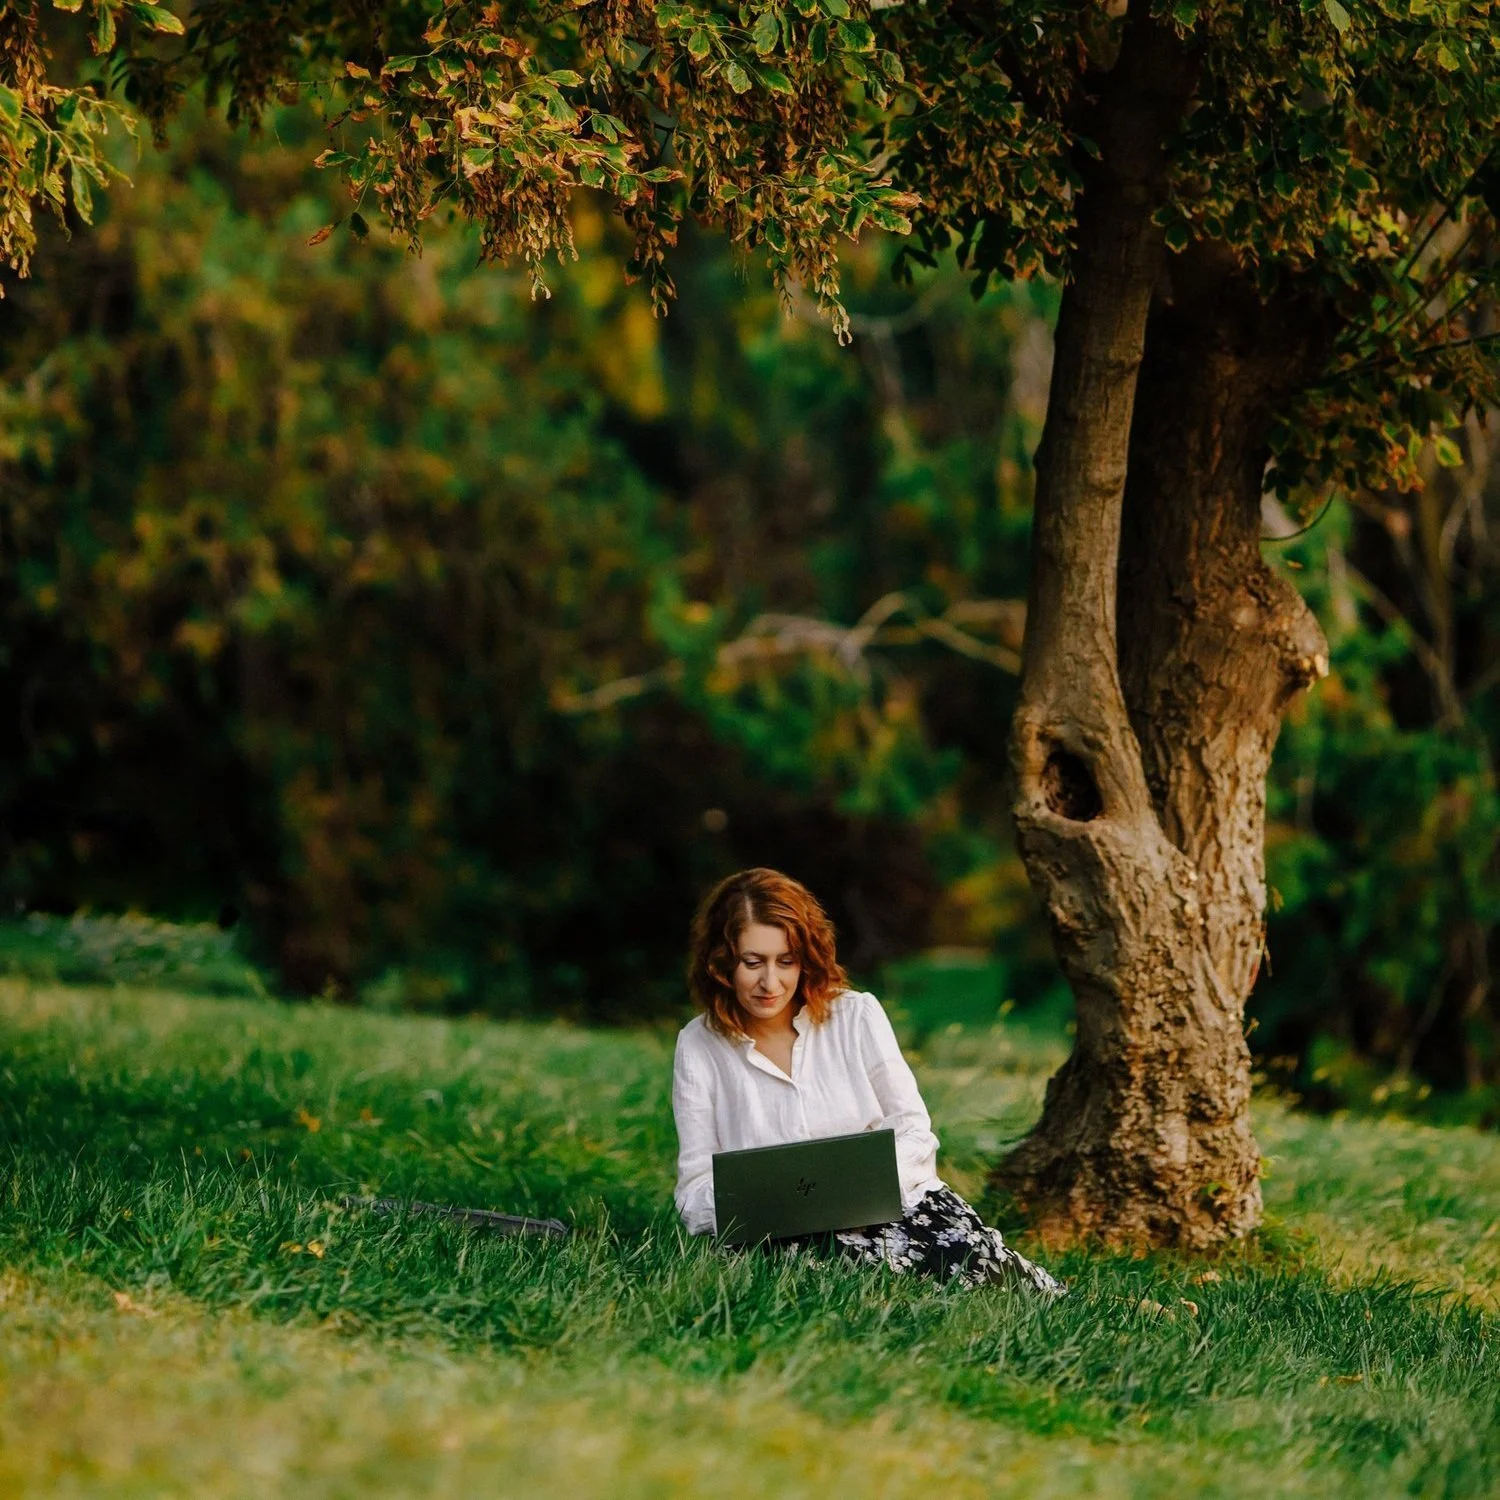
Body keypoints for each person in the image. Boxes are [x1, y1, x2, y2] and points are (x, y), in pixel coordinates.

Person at [672, 867, 1066, 1296]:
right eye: (753, 963)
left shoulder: (856, 1016)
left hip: (896, 1206)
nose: (771, 982)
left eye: (786, 962)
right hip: (781, 1236)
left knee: (1011, 1284)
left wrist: (862, 1193)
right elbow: (694, 1189)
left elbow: (914, 1130)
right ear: (720, 964)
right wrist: (766, 1206)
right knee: (885, 1287)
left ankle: (1091, 1302)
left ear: (806, 959)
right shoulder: (698, 1045)